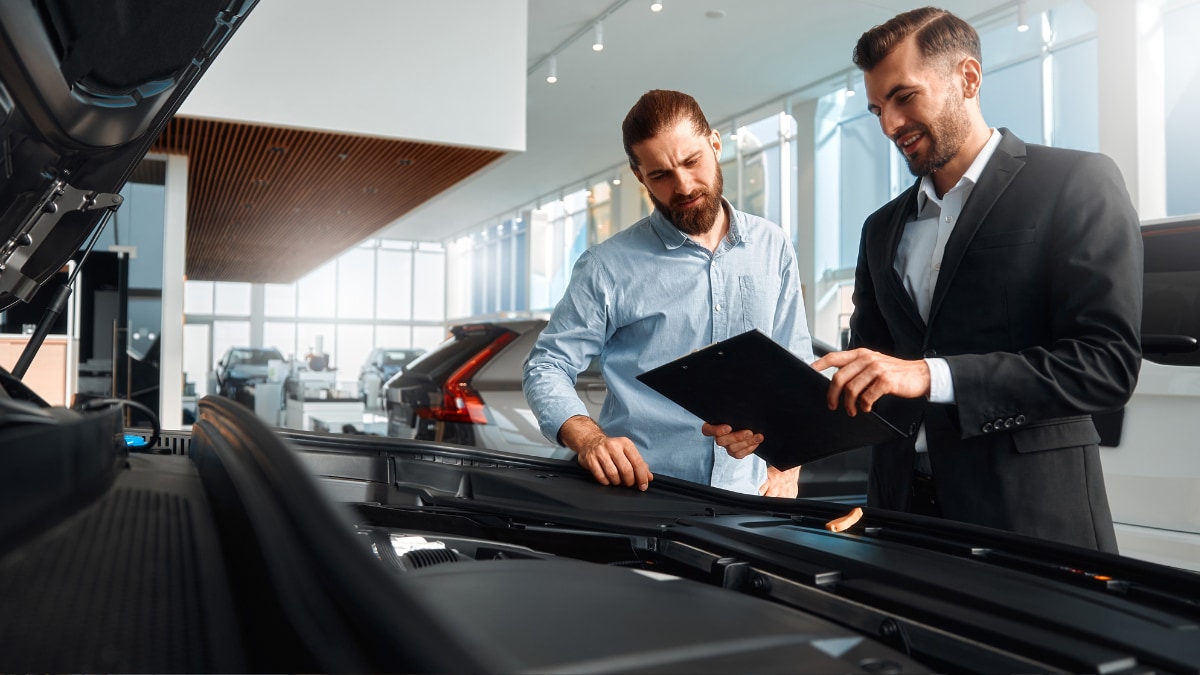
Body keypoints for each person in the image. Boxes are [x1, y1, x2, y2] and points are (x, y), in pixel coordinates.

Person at [712, 8, 1141, 551]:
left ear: (967, 78)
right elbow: (868, 377)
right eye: (876, 109)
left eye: (904, 97)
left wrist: (929, 375)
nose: (889, 124)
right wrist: (775, 427)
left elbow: (1106, 367)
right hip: (901, 516)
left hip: (1031, 518)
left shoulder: (1076, 182)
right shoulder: (881, 228)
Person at [523, 89, 814, 497]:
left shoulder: (773, 245)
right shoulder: (606, 266)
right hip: (643, 497)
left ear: (715, 144)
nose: (683, 186)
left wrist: (789, 463)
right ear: (640, 176)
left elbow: (796, 366)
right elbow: (546, 366)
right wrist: (589, 439)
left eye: (692, 162)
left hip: (750, 497)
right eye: (660, 175)